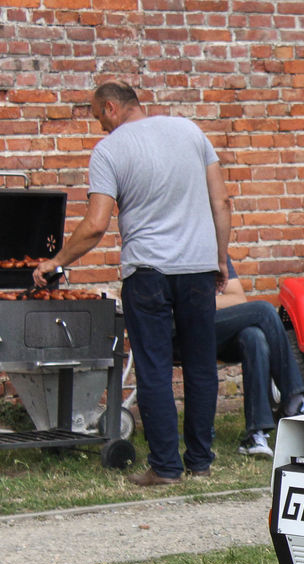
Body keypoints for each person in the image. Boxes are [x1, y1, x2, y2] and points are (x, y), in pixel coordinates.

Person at [33, 82, 229, 486]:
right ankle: (200, 462)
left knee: (154, 368)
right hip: (197, 268)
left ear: (111, 107)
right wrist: (220, 258)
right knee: (200, 366)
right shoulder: (191, 131)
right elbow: (221, 202)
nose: (101, 128)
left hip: (148, 273)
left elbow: (95, 224)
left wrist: (56, 262)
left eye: (98, 118)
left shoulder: (110, 150)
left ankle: (165, 468)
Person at [215, 265, 304, 459]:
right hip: (187, 329)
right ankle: (293, 401)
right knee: (263, 310)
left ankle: (256, 434)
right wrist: (205, 299)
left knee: (253, 336)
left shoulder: (215, 250)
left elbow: (237, 298)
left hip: (216, 326)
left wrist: (205, 300)